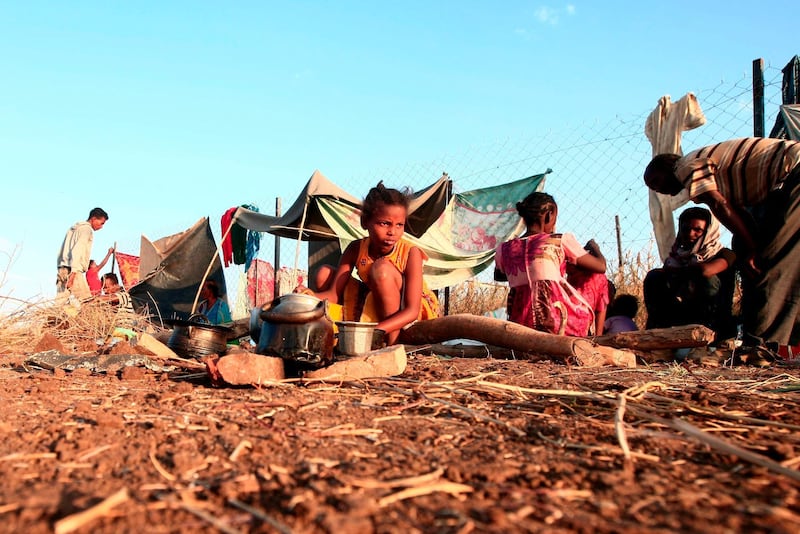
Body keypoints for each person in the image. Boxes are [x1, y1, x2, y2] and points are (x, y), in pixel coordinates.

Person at [644, 137, 800, 346]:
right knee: (762, 255)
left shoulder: (685, 167)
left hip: (793, 173)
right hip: (784, 183)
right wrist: (750, 246)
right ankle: (786, 341)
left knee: (772, 263)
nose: (657, 190)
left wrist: (755, 249)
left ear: (667, 168)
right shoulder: (717, 177)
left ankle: (764, 345)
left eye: (656, 181)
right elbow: (738, 212)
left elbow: (719, 205)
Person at [295, 181, 440, 345]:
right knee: (324, 273)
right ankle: (353, 333)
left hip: (410, 314)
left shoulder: (410, 252)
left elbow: (412, 311)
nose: (392, 232)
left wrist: (376, 331)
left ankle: (394, 344)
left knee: (381, 269)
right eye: (384, 223)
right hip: (376, 304)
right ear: (365, 222)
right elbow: (333, 295)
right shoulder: (356, 248)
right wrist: (307, 297)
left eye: (399, 225)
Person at [494, 192, 607, 336]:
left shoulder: (504, 249)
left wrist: (524, 268)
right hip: (557, 323)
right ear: (549, 215)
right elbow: (601, 267)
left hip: (520, 324)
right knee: (598, 278)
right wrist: (594, 247)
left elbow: (499, 275)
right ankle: (596, 335)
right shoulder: (559, 240)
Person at [643, 207, 736, 333]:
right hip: (684, 313)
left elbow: (705, 271)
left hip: (714, 318)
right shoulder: (677, 256)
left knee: (706, 278)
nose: (690, 234)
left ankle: (711, 332)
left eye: (697, 230)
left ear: (708, 232)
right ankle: (658, 330)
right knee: (654, 277)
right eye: (685, 229)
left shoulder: (724, 254)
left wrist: (677, 270)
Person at [56, 208, 109, 303]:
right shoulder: (86, 230)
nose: (101, 227)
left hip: (63, 268)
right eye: (101, 223)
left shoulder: (74, 229)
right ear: (93, 219)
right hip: (73, 270)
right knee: (87, 302)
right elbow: (78, 250)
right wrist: (73, 273)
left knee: (60, 301)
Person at [566, 240, 610, 334]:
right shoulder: (600, 279)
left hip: (565, 326)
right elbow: (601, 308)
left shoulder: (571, 276)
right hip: (581, 328)